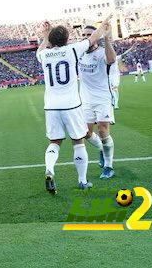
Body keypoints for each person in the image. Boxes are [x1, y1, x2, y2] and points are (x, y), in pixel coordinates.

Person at [36, 16, 112, 195]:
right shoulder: (72, 50)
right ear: (67, 39)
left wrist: (45, 35)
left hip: (51, 106)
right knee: (78, 142)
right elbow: (94, 38)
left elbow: (41, 48)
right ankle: (82, 181)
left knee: (54, 142)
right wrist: (104, 23)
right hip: (71, 105)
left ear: (51, 41)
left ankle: (49, 170)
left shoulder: (44, 55)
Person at [78, 25, 117, 180]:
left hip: (102, 97)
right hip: (85, 99)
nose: (87, 37)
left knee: (102, 130)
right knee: (86, 133)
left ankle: (108, 166)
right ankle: (102, 149)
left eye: (90, 34)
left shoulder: (102, 52)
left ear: (96, 36)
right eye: (84, 34)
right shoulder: (79, 52)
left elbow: (112, 59)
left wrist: (107, 38)